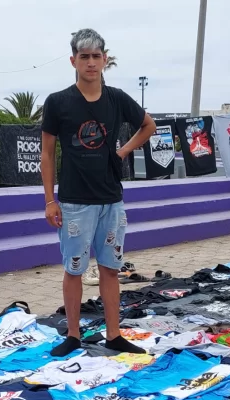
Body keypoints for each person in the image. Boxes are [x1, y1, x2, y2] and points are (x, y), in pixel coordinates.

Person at [41, 29, 156, 356]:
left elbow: (149, 126)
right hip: (75, 203)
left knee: (110, 269)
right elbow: (47, 154)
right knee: (74, 269)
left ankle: (114, 333)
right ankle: (74, 335)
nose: (90, 63)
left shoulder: (117, 98)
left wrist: (122, 151)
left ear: (105, 59)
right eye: (84, 56)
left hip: (111, 200)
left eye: (96, 56)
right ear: (73, 60)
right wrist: (50, 200)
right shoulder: (58, 102)